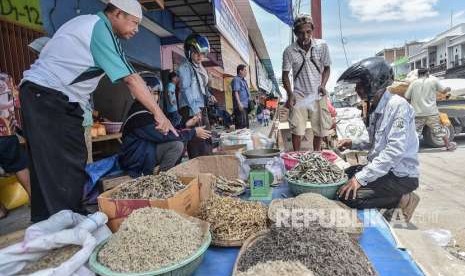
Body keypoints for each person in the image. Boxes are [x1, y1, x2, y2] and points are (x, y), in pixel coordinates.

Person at [19, 0, 175, 222]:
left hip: (54, 99)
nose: (137, 30)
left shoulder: (99, 29)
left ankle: (57, 221)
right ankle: (64, 224)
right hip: (47, 97)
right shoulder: (97, 29)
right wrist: (159, 114)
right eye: (134, 23)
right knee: (61, 165)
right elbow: (131, 79)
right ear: (118, 14)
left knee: (65, 162)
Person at [336, 57, 420, 223]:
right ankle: (385, 196)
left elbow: (394, 151)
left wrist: (360, 179)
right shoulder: (376, 107)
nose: (357, 89)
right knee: (343, 176)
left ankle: (403, 198)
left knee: (349, 197)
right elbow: (374, 142)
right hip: (385, 171)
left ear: (373, 82)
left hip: (400, 176)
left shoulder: (398, 106)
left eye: (360, 84)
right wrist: (352, 142)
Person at [119, 74, 211, 177]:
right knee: (176, 145)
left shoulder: (149, 112)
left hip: (145, 153)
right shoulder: (140, 115)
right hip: (135, 161)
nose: (153, 97)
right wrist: (193, 132)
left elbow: (166, 130)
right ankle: (162, 179)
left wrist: (186, 125)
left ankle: (165, 176)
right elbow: (164, 135)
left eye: (155, 93)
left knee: (178, 141)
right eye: (148, 93)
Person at [282, 14, 332, 151]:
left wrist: (323, 85)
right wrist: (290, 93)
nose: (305, 36)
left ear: (312, 30)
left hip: (317, 94)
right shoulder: (289, 51)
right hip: (299, 95)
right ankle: (297, 156)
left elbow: (327, 68)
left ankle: (316, 156)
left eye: (308, 32)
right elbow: (285, 75)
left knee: (321, 129)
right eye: (301, 33)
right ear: (295, 33)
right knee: (297, 129)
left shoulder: (322, 46)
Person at [177, 34, 216, 159]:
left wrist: (209, 95)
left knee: (207, 139)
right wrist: (195, 110)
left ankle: (207, 169)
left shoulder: (201, 68)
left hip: (201, 108)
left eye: (203, 54)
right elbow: (185, 89)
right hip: (190, 109)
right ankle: (198, 170)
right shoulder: (184, 68)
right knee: (196, 143)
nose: (200, 56)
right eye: (196, 53)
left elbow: (202, 88)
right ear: (189, 52)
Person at [0, 73, 31, 219]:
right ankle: (35, 199)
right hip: (6, 131)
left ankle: (0, 210)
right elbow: (18, 102)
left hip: (6, 131)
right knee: (19, 165)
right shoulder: (5, 78)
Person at [405, 68, 456, 151]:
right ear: (427, 73)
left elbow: (407, 97)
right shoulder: (433, 81)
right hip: (431, 113)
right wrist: (448, 88)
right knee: (439, 130)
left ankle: (412, 149)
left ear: (418, 75)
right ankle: (448, 145)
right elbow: (443, 91)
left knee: (415, 133)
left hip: (418, 113)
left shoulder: (413, 84)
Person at [232, 64, 250, 129]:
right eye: (245, 70)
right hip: (240, 106)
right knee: (241, 126)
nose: (246, 72)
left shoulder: (244, 81)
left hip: (244, 106)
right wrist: (239, 103)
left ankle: (246, 138)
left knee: (245, 125)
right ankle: (240, 139)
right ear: (240, 71)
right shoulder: (236, 79)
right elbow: (236, 92)